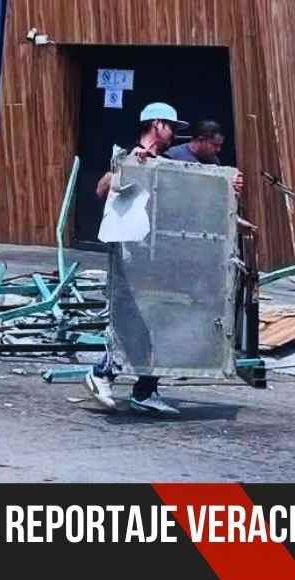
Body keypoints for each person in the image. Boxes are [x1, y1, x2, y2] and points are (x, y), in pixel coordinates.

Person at [85, 102, 188, 416]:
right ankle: (102, 372)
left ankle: (145, 390)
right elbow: (102, 189)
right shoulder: (127, 157)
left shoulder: (167, 162)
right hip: (132, 257)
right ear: (156, 124)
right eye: (171, 127)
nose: (173, 135)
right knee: (134, 322)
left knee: (158, 323)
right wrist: (128, 167)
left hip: (159, 256)